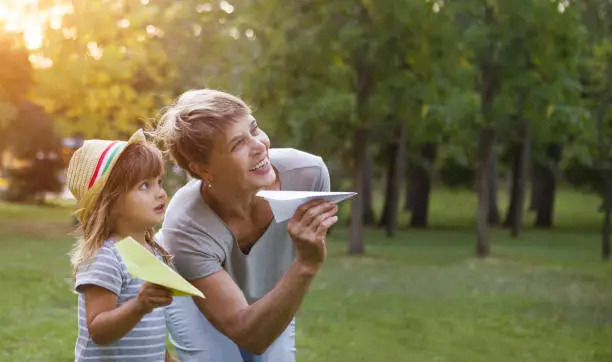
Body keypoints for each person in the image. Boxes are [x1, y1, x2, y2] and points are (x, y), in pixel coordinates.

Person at [153, 89, 339, 362]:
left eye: (254, 128)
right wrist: (306, 265)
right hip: (196, 298)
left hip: (270, 292)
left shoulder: (308, 175)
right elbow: (246, 332)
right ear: (204, 170)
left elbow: (261, 337)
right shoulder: (185, 224)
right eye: (237, 144)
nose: (260, 145)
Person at [66, 129, 178, 362]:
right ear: (111, 202)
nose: (160, 193)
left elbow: (150, 333)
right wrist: (139, 305)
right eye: (144, 186)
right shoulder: (105, 257)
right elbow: (98, 330)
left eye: (159, 182)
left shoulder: (153, 251)